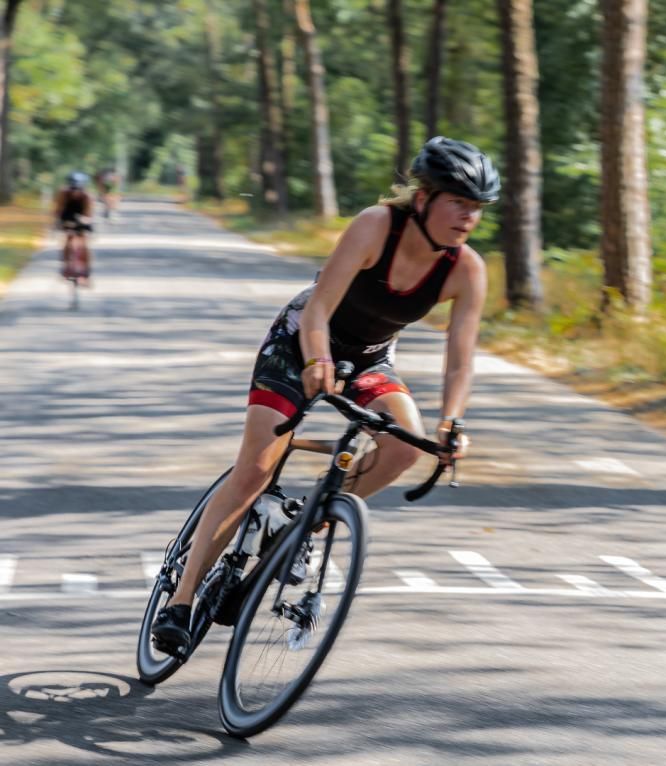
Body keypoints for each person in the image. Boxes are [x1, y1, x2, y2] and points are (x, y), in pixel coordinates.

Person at [150, 137, 498, 658]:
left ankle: (302, 524)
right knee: (254, 470)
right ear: (423, 198)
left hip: (369, 358)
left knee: (408, 446)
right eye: (459, 203)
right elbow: (317, 311)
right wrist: (317, 361)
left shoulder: (465, 269)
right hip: (300, 342)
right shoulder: (375, 227)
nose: (468, 217)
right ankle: (180, 602)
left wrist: (453, 422)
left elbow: (460, 359)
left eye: (477, 208)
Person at [53, 172, 94, 286]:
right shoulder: (63, 193)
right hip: (67, 215)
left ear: (83, 188)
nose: (75, 192)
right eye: (73, 188)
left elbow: (88, 215)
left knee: (84, 243)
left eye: (79, 189)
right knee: (67, 240)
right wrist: (58, 223)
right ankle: (66, 266)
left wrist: (84, 222)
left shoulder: (87, 196)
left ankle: (87, 270)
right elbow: (58, 211)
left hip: (82, 217)